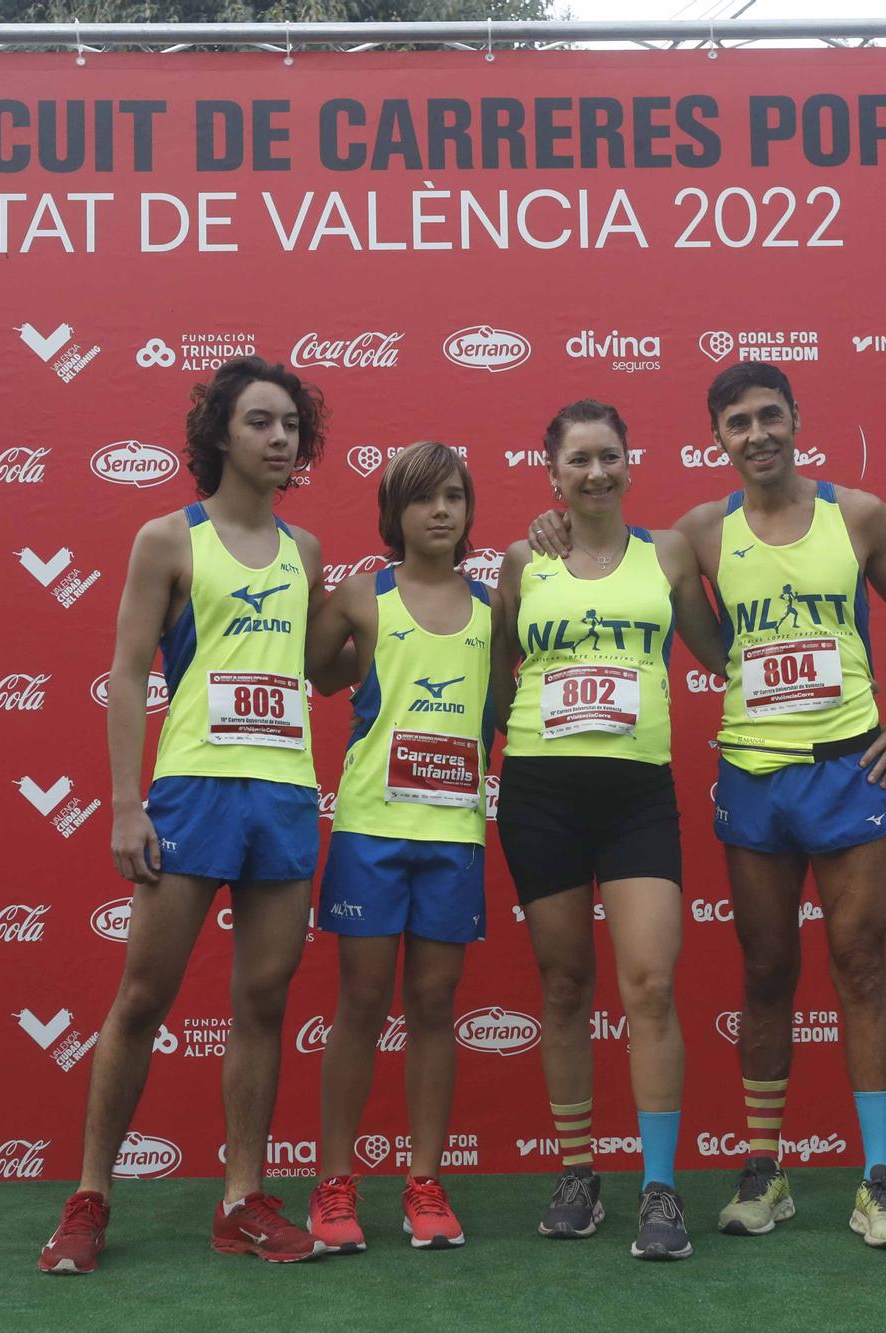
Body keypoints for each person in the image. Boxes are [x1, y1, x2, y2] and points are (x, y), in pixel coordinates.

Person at [531, 361, 886, 1250]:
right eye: (736, 424)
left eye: (769, 417)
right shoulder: (695, 537)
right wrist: (555, 522)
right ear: (716, 438)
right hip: (754, 774)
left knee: (860, 963)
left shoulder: (859, 515)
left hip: (847, 768)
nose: (755, 434)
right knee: (765, 970)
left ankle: (880, 1179)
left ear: (796, 419)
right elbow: (639, 580)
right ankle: (765, 1169)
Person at [39, 356, 339, 1274]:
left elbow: (323, 670)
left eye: (290, 423)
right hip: (191, 793)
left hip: (285, 794)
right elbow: (128, 674)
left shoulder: (309, 552)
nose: (280, 436)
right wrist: (126, 804)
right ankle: (89, 1199)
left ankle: (242, 1199)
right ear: (218, 435)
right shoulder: (168, 539)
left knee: (261, 1001)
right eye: (260, 421)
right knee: (143, 999)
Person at [492, 400, 726, 1262]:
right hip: (540, 791)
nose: (596, 473)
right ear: (551, 472)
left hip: (637, 794)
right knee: (563, 984)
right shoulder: (525, 557)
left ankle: (658, 1185)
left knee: (651, 983)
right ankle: (579, 1173)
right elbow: (495, 673)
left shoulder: (667, 552)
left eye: (609, 457)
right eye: (578, 461)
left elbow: (720, 650)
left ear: (632, 461)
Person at [301, 442, 497, 1255]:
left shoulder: (496, 607)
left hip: (453, 834)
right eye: (422, 499)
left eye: (453, 496)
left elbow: (509, 704)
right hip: (372, 829)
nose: (440, 512)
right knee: (360, 1001)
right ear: (395, 515)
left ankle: (424, 1180)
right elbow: (318, 671)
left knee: (434, 1005)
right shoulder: (361, 594)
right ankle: (335, 1183)